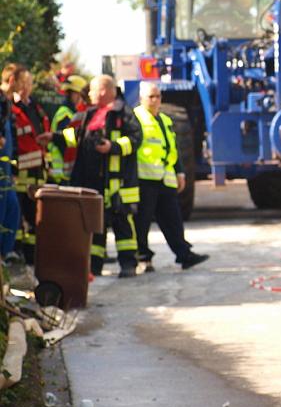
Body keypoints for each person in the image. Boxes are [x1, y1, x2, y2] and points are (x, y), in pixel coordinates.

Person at [67, 75, 141, 278]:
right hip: (93, 181)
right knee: (95, 224)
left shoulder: (122, 112)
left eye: (91, 90)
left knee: (122, 223)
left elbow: (136, 139)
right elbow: (79, 137)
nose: (88, 94)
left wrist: (112, 147)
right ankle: (95, 266)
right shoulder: (90, 114)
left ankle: (128, 264)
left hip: (116, 181)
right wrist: (55, 137)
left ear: (103, 90)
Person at [133, 82, 208, 272]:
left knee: (173, 220)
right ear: (141, 99)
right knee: (142, 222)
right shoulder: (135, 119)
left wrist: (180, 172)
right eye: (151, 97)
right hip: (145, 179)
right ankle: (143, 258)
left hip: (165, 179)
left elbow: (172, 149)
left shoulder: (165, 120)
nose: (155, 100)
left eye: (158, 96)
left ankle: (184, 255)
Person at [10, 66, 50, 264]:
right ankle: (17, 253)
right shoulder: (11, 108)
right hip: (20, 172)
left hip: (37, 171)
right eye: (23, 83)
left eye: (29, 83)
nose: (26, 87)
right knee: (18, 217)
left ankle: (33, 256)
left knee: (36, 217)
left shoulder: (35, 107)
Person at [46, 74, 87, 185]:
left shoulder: (70, 112)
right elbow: (65, 141)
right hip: (61, 171)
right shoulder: (66, 114)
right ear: (75, 94)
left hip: (63, 170)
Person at [0, 64, 21, 260]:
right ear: (13, 80)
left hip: (7, 172)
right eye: (23, 82)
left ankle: (4, 255)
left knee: (13, 210)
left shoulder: (8, 104)